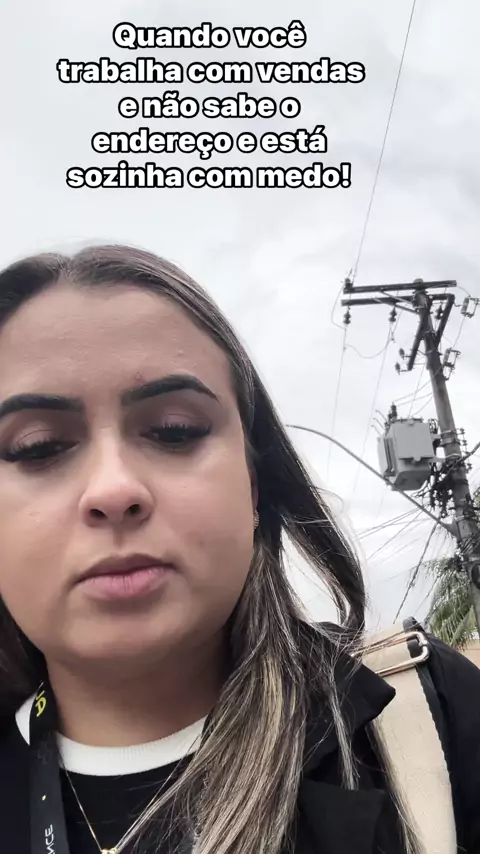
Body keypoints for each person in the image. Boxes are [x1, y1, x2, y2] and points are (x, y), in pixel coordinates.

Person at [0, 244, 478, 854]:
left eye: (174, 431)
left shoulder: (434, 722)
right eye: (38, 447)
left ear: (254, 486)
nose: (114, 489)